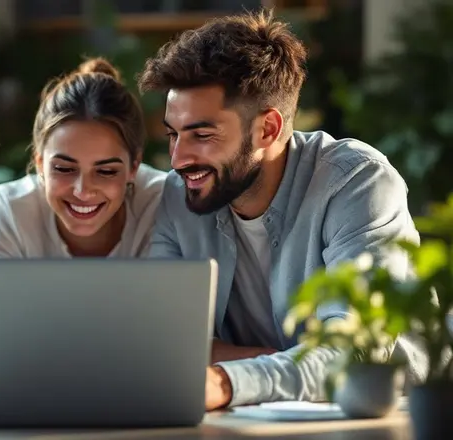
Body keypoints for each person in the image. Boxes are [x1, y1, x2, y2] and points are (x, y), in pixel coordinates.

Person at [137, 11, 424, 410]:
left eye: (202, 135)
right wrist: (269, 364)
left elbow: (355, 351)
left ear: (267, 129)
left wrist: (224, 380)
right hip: (249, 420)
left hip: (385, 417)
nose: (178, 159)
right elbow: (168, 344)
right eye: (173, 134)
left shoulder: (358, 183)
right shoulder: (179, 196)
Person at [0, 58, 166, 259]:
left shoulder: (162, 201)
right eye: (64, 169)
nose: (82, 191)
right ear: (39, 163)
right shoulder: (11, 209)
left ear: (133, 168)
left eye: (106, 171)